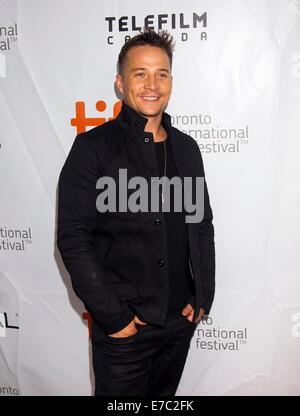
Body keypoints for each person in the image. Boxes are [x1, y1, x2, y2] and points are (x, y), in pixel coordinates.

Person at [57, 27, 215, 396]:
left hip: (178, 324)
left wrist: (203, 295)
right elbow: (73, 239)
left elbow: (201, 225)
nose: (152, 84)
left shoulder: (187, 148)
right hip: (125, 332)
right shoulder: (92, 148)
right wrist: (115, 318)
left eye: (162, 73)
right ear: (119, 82)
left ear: (171, 80)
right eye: (140, 73)